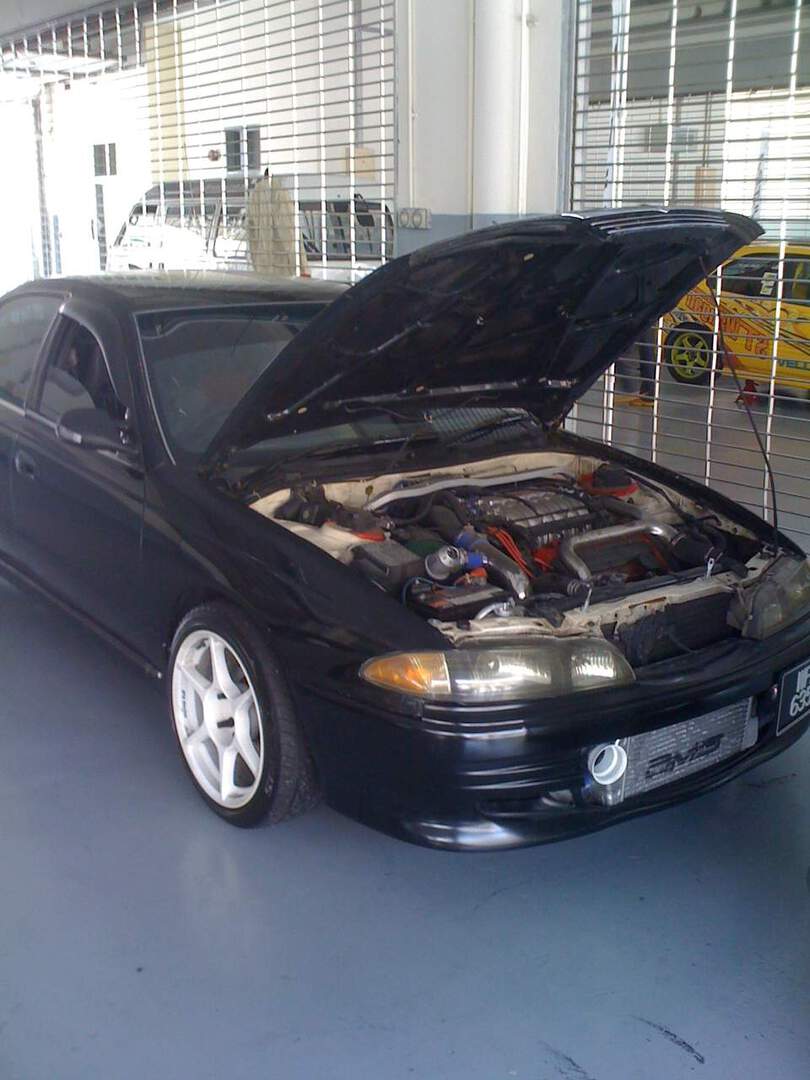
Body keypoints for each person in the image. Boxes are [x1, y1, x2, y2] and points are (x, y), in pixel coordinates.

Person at [246, 169, 310, 278]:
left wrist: (256, 263)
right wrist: (302, 267)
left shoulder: (254, 196)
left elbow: (251, 235)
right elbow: (288, 232)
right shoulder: (279, 192)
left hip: (262, 269)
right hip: (283, 268)